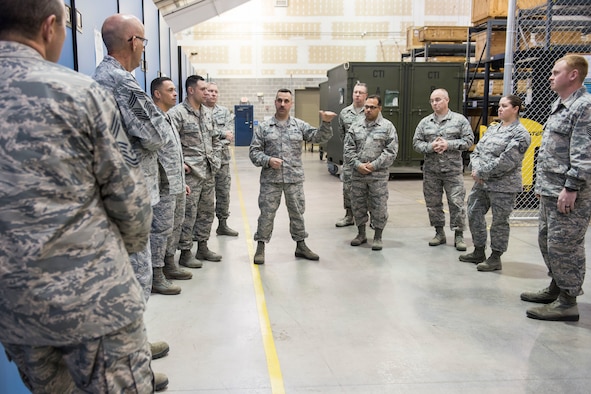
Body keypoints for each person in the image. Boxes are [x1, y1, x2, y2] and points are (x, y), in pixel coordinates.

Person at [0, 1, 154, 391]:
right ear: (49, 27)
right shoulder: (79, 93)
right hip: (95, 300)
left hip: (15, 307)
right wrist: (132, 249)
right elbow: (129, 199)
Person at [94, 13, 171, 391]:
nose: (144, 48)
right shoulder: (120, 82)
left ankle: (135, 349)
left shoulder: (100, 78)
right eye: (143, 41)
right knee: (134, 286)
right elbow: (155, 134)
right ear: (132, 43)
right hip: (129, 202)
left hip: (118, 197)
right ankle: (132, 367)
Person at [521, 55, 591, 322]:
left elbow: (584, 154)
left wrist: (571, 187)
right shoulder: (560, 104)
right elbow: (550, 152)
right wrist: (541, 184)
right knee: (547, 240)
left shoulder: (583, 106)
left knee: (565, 246)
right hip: (551, 189)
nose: (550, 76)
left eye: (555, 72)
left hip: (569, 193)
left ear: (573, 75)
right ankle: (556, 287)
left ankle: (568, 301)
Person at [250, 89, 337, 264]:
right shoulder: (264, 128)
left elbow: (318, 137)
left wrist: (326, 123)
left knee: (297, 213)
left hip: (294, 179)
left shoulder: (299, 125)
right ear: (275, 102)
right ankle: (260, 247)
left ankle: (301, 245)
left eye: (286, 101)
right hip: (271, 180)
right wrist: (268, 160)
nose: (282, 104)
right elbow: (254, 152)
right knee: (266, 214)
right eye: (280, 100)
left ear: (291, 104)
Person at [459, 95, 531, 271]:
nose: (499, 109)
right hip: (482, 183)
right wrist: (475, 168)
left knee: (499, 221)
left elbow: (506, 161)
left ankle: (495, 257)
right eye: (499, 106)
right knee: (474, 212)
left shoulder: (520, 134)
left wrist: (481, 172)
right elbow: (477, 151)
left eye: (504, 106)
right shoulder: (493, 129)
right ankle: (478, 250)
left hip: (503, 186)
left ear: (515, 109)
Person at [169, 75, 222, 266]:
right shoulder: (177, 114)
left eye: (208, 90)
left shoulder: (207, 113)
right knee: (188, 214)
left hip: (208, 171)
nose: (207, 93)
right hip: (190, 173)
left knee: (207, 211)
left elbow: (216, 138)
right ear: (191, 90)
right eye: (203, 89)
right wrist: (180, 165)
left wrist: (215, 158)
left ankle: (203, 247)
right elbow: (171, 145)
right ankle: (185, 252)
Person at [413, 88, 474, 251]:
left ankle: (459, 234)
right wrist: (431, 146)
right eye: (432, 100)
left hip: (452, 171)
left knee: (456, 203)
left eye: (438, 99)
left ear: (447, 100)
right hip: (431, 171)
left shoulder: (459, 120)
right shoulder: (425, 122)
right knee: (433, 203)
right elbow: (416, 143)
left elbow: (469, 140)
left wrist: (449, 144)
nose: (435, 103)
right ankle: (439, 233)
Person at [150, 77, 193, 295]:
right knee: (160, 230)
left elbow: (174, 155)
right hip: (162, 186)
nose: (175, 94)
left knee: (174, 227)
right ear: (158, 94)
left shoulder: (167, 118)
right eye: (170, 90)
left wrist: (182, 182)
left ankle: (169, 264)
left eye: (175, 90)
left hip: (175, 184)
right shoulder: (153, 119)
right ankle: (156, 275)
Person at [344, 94, 399, 250]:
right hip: (358, 175)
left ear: (379, 108)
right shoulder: (355, 126)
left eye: (372, 107)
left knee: (379, 206)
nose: (368, 110)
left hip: (378, 177)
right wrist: (357, 165)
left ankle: (378, 236)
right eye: (366, 107)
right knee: (358, 204)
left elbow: (391, 151)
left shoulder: (387, 127)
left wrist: (374, 165)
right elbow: (348, 149)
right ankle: (361, 234)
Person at [204, 81, 239, 236]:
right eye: (210, 91)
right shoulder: (199, 111)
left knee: (223, 193)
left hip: (222, 161)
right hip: (204, 163)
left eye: (215, 92)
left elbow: (229, 135)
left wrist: (217, 136)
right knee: (205, 198)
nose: (213, 94)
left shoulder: (224, 112)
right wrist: (221, 134)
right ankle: (201, 230)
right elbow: (202, 135)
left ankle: (222, 224)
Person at [335, 82, 369, 227]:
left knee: (369, 188)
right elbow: (342, 135)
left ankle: (371, 217)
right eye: (355, 92)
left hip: (367, 157)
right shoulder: (344, 113)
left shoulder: (371, 111)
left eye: (361, 92)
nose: (357, 95)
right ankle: (349, 215)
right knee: (348, 187)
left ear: (366, 96)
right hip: (350, 159)